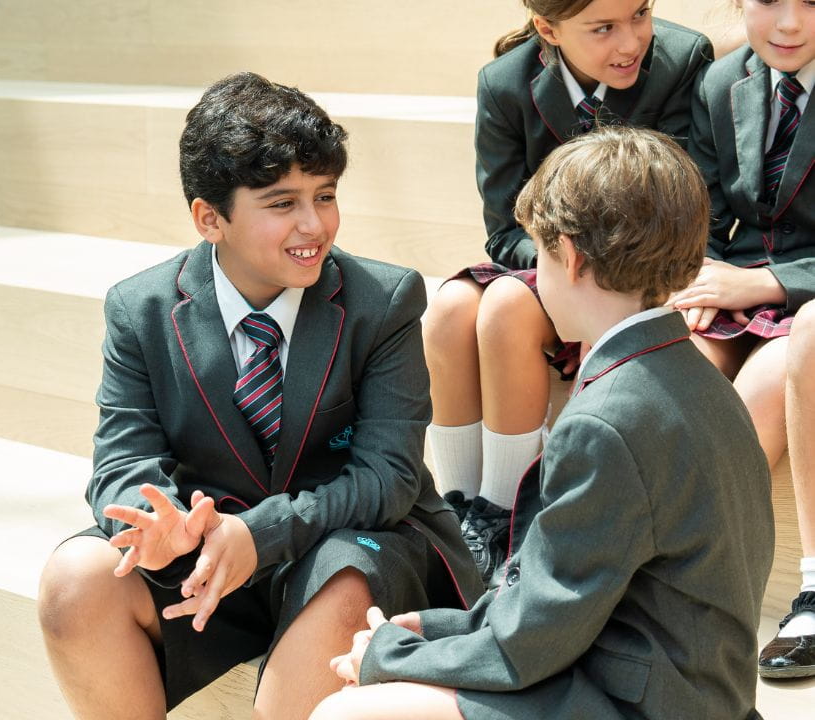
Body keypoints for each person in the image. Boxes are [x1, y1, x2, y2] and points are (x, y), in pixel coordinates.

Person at [36, 72, 483, 720]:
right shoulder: (141, 309)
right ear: (209, 217)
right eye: (282, 203)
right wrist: (154, 527)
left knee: (342, 581)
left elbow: (387, 478)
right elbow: (121, 461)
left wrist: (259, 533)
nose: (314, 224)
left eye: (324, 195)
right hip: (207, 557)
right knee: (76, 581)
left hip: (349, 541)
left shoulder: (382, 302)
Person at [310, 126, 774, 720]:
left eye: (539, 256)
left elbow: (531, 643)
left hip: (642, 704)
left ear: (571, 255)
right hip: (685, 688)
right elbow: (563, 599)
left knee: (348, 713)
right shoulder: (700, 380)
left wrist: (390, 654)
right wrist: (435, 626)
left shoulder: (606, 421)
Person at [422, 0, 713, 584]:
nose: (630, 42)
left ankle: (509, 514)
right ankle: (457, 519)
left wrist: (589, 269)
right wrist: (561, 263)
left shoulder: (682, 61)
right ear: (547, 29)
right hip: (550, 259)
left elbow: (686, 203)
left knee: (505, 306)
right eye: (603, 29)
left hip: (641, 267)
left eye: (640, 13)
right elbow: (505, 231)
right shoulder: (505, 84)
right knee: (449, 308)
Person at [677, 0, 815, 679]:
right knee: (674, 364)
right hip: (742, 282)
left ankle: (727, 587)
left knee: (763, 385)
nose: (789, 25)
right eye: (767, 0)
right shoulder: (720, 81)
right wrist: (695, 281)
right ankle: (654, 574)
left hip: (804, 296)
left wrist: (767, 286)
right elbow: (700, 212)